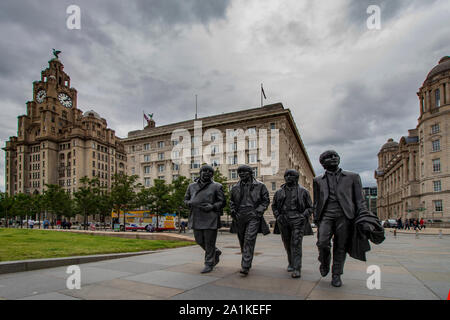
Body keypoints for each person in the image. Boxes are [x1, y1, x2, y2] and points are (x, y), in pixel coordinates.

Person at [313, 150, 367, 287]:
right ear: (323, 163)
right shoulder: (318, 180)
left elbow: (360, 200)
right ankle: (324, 261)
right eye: (329, 157)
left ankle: (336, 274)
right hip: (326, 215)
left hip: (345, 216)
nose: (333, 158)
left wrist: (363, 216)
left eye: (335, 156)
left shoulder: (353, 177)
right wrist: (316, 217)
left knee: (340, 246)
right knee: (322, 243)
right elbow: (317, 201)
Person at [272, 169, 314, 278]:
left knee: (296, 243)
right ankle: (291, 263)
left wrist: (303, 216)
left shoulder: (304, 191)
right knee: (287, 243)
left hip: (297, 219)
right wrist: (278, 216)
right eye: (286, 175)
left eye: (291, 175)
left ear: (296, 177)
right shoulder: (279, 192)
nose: (288, 177)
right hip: (284, 219)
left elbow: (310, 207)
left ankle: (297, 268)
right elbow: (274, 206)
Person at [230, 164, 270, 276]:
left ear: (250, 173)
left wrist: (258, 211)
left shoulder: (260, 186)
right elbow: (232, 201)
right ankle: (246, 258)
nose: (242, 174)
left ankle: (245, 265)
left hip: (253, 215)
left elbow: (266, 200)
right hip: (240, 216)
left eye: (244, 172)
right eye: (240, 172)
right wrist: (233, 210)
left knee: (249, 239)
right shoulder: (235, 187)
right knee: (242, 240)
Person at [184, 165, 226, 273]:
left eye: (209, 171)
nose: (207, 173)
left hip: (210, 217)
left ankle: (209, 263)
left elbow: (222, 202)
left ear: (212, 175)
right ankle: (215, 252)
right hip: (196, 216)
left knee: (209, 242)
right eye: (204, 171)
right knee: (199, 240)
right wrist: (189, 203)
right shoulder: (191, 186)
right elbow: (186, 199)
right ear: (200, 172)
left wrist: (212, 206)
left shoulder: (217, 186)